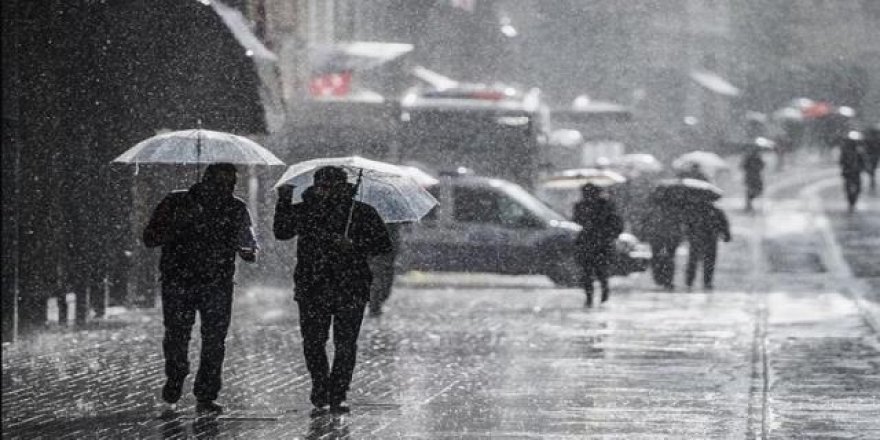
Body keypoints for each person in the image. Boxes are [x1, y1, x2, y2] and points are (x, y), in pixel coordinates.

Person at [273, 166, 392, 416]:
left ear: (343, 187)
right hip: (312, 285)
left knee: (345, 343)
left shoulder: (361, 212)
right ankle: (320, 385)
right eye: (321, 185)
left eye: (330, 186)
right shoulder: (306, 209)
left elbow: (382, 245)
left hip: (351, 286)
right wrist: (284, 200)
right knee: (313, 342)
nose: (324, 191)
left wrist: (354, 245)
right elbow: (282, 232)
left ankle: (338, 392)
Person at [143, 163, 258, 414]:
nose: (225, 189)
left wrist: (246, 250)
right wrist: (179, 224)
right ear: (205, 180)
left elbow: (248, 244)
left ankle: (206, 394)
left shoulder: (235, 208)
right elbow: (150, 238)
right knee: (177, 335)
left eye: (230, 184)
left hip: (217, 283)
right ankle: (176, 375)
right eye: (220, 183)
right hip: (179, 281)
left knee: (214, 340)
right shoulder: (176, 202)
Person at [572, 183, 623, 307]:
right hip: (590, 242)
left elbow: (616, 223)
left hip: (599, 243)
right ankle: (592, 298)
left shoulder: (605, 205)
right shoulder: (582, 206)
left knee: (599, 273)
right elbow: (576, 220)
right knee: (590, 273)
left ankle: (601, 298)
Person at [683, 202, 731, 290]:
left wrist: (688, 235)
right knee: (708, 262)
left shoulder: (694, 211)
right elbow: (723, 224)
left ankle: (689, 281)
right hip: (710, 240)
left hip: (697, 240)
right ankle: (706, 282)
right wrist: (726, 235)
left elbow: (687, 226)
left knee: (693, 261)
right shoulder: (716, 212)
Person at [639, 199, 686, 290]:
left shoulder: (653, 209)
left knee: (659, 258)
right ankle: (666, 279)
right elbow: (679, 223)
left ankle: (660, 278)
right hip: (667, 238)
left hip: (659, 237)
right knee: (667, 258)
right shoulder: (674, 209)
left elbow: (645, 222)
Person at [368, 223, 400, 317]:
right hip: (377, 254)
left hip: (386, 255)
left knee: (384, 282)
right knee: (378, 280)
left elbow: (396, 241)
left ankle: (376, 303)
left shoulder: (393, 226)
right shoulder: (371, 223)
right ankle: (374, 304)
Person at [839, 134, 867, 213]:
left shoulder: (859, 150)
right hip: (849, 172)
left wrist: (862, 167)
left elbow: (863, 160)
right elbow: (842, 161)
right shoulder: (846, 150)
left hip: (855, 172)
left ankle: (853, 201)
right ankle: (851, 201)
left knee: (858, 187)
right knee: (849, 187)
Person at [741, 146, 765, 212]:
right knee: (751, 190)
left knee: (756, 190)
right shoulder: (748, 158)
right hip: (751, 177)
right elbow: (743, 166)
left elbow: (762, 166)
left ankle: (749, 203)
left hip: (755, 177)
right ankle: (749, 204)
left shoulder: (757, 158)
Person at [864, 125, 880, 192]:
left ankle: (872, 179)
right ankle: (872, 180)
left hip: (871, 156)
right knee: (872, 169)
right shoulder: (875, 139)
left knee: (871, 169)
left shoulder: (869, 139)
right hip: (873, 156)